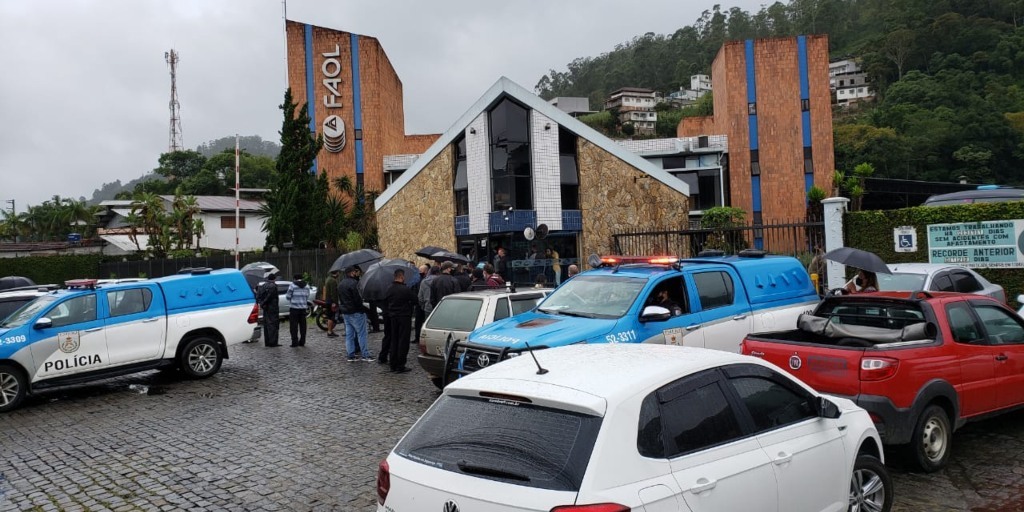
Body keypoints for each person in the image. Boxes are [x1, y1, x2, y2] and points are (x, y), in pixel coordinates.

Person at [385, 268, 418, 374]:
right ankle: (400, 365)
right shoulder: (405, 289)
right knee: (403, 341)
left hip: (393, 317)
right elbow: (415, 300)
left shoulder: (389, 288)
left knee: (394, 340)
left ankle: (393, 364)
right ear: (402, 277)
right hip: (404, 317)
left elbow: (386, 301)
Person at [338, 266, 373, 362]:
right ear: (351, 272)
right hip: (356, 312)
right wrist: (362, 309)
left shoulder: (340, 284)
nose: (356, 273)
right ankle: (365, 354)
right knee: (362, 333)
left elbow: (341, 299)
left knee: (349, 335)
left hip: (346, 312)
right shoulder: (354, 283)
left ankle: (350, 354)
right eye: (354, 271)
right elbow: (357, 299)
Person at [254, 272, 281, 347]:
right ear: (274, 279)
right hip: (273, 308)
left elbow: (258, 296)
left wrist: (262, 304)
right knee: (273, 325)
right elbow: (270, 297)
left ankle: (267, 342)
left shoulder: (263, 286)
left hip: (266, 309)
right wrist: (264, 303)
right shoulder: (273, 286)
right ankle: (273, 342)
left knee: (266, 325)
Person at [285, 273, 311, 347]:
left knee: (293, 326)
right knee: (303, 326)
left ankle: (294, 342)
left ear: (294, 278)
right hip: (303, 309)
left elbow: (288, 296)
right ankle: (302, 341)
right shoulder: (307, 286)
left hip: (294, 308)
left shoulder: (292, 285)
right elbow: (307, 296)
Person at [413, 264, 428, 346]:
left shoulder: (426, 279)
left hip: (424, 303)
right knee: (418, 322)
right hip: (419, 303)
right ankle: (417, 337)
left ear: (425, 271)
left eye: (421, 271)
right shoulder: (417, 279)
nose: (420, 272)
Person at [323, 270, 340, 337]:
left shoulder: (328, 279)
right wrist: (335, 302)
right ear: (336, 273)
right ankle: (329, 331)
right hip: (331, 301)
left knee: (330, 316)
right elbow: (333, 293)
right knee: (331, 317)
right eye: (338, 272)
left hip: (328, 300)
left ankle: (330, 330)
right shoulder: (332, 281)